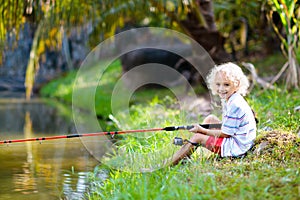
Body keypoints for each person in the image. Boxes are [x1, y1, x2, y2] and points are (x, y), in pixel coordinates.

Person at [171, 62, 257, 165]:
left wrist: (201, 130)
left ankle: (169, 164)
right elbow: (228, 126)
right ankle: (188, 149)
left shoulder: (235, 105)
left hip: (238, 147)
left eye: (226, 84)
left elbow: (226, 134)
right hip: (237, 139)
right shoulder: (230, 98)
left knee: (198, 137)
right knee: (210, 119)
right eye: (218, 84)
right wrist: (201, 130)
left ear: (237, 84)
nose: (221, 89)